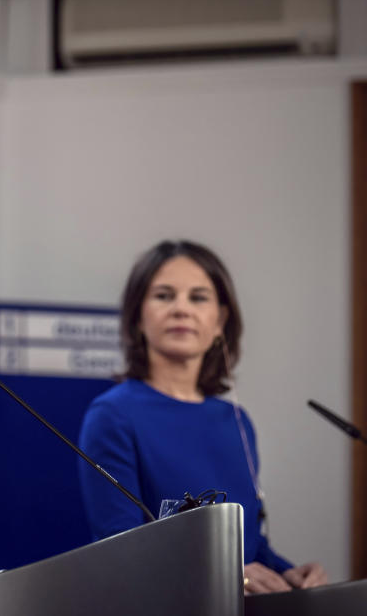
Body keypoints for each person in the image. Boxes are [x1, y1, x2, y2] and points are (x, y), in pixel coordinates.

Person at [78, 240, 327, 595]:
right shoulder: (112, 416)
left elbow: (250, 550)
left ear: (220, 320)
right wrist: (230, 575)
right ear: (137, 316)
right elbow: (120, 553)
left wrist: (293, 575)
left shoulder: (236, 420)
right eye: (164, 295)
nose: (181, 309)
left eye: (198, 297)